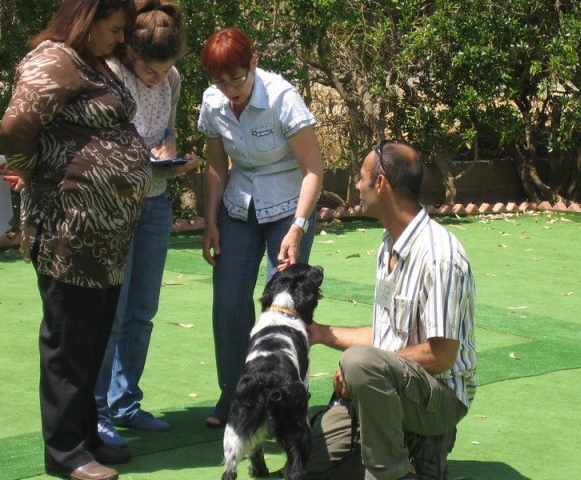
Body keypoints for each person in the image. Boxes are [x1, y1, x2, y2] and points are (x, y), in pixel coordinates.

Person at [0, 1, 151, 479]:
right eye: (115, 28)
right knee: (67, 343)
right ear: (88, 18)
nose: (120, 39)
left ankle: (84, 437)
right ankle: (64, 453)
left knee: (91, 340)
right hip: (69, 231)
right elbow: (15, 125)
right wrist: (29, 172)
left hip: (104, 237)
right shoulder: (55, 59)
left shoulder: (94, 63)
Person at [305, 141, 476, 480]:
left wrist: (365, 369)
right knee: (308, 466)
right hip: (394, 386)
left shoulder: (439, 256)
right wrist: (322, 334)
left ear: (381, 183)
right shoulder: (389, 244)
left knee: (359, 363)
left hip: (440, 396)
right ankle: (412, 451)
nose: (356, 185)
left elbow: (441, 355)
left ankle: (393, 472)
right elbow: (386, 336)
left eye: (361, 177)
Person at [197, 27, 324, 428]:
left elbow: (313, 170)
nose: (230, 88)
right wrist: (211, 221)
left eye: (237, 77)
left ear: (253, 63)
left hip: (290, 203)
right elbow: (216, 166)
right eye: (220, 80)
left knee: (281, 308)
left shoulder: (283, 98)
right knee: (230, 301)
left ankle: (284, 398)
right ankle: (233, 394)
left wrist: (298, 227)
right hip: (239, 205)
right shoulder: (213, 102)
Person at [93, 0, 199, 448]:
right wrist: (146, 158)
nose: (157, 78)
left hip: (155, 203)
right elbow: (102, 144)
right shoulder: (110, 75)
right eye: (150, 70)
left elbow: (167, 130)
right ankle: (96, 410)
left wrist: (171, 156)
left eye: (164, 70)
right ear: (130, 52)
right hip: (115, 205)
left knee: (143, 312)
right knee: (110, 315)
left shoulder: (171, 79)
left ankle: (126, 402)